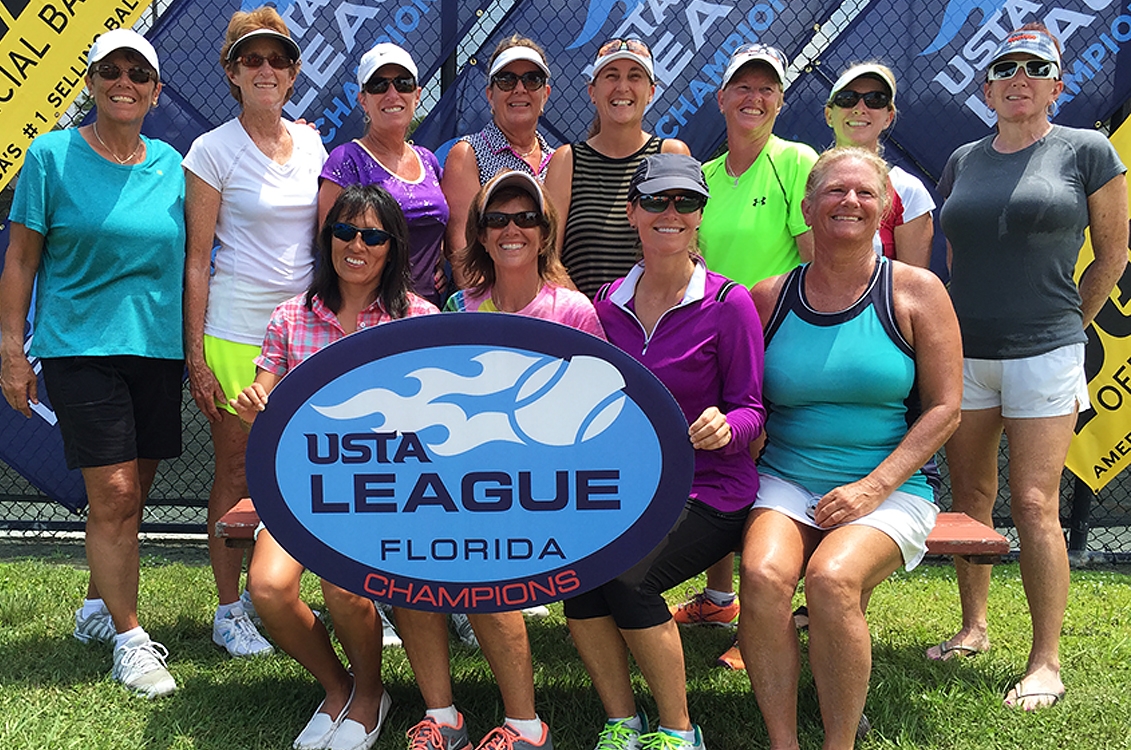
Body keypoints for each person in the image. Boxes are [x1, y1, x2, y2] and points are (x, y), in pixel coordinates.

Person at [927, 24, 1128, 711]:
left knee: (1035, 504)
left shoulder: (1088, 151)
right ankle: (973, 628)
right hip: (966, 353)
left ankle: (1045, 661)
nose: (1019, 78)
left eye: (1034, 68)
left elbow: (1111, 255)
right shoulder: (961, 160)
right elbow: (956, 257)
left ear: (1056, 86)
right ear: (986, 90)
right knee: (969, 497)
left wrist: (1068, 326)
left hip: (1046, 352)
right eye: (1004, 68)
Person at [741, 147, 963, 749]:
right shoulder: (768, 297)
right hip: (786, 480)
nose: (850, 202)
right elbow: (747, 404)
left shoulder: (917, 291)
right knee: (761, 577)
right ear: (808, 206)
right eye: (835, 191)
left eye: (865, 193)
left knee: (831, 579)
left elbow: (945, 409)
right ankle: (783, 742)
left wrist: (872, 488)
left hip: (890, 486)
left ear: (885, 207)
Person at [0, 29, 184, 697]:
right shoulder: (50, 156)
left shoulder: (172, 164)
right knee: (114, 495)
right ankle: (131, 643)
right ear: (91, 81)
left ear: (155, 92)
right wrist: (11, 348)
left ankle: (95, 610)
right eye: (111, 70)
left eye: (138, 73)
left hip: (157, 351)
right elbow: (21, 259)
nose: (123, 82)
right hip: (79, 349)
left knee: (132, 493)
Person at [568, 154, 765, 750]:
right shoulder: (606, 303)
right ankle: (622, 723)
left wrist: (726, 427)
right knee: (579, 576)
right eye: (656, 201)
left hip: (712, 488)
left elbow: (752, 409)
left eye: (686, 202)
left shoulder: (729, 303)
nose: (670, 213)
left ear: (701, 214)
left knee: (629, 576)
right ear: (633, 212)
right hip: (629, 487)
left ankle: (679, 730)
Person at [233, 184, 438, 750]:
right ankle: (338, 685)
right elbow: (264, 395)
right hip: (305, 488)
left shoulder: (417, 319)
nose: (357, 245)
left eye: (373, 236)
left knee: (345, 586)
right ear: (327, 240)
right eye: (345, 232)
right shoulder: (290, 316)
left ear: (392, 247)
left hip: (391, 490)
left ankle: (369, 695)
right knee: (268, 590)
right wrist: (254, 403)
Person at [390, 171, 585, 750]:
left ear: (545, 232)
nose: (511, 229)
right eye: (497, 219)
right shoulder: (458, 306)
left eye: (526, 218)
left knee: (480, 568)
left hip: (543, 489)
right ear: (479, 233)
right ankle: (442, 718)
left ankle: (526, 727)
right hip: (463, 481)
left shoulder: (573, 311)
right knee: (404, 557)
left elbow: (594, 422)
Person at [183, 5, 326, 658]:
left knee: (310, 469)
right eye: (251, 59)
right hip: (235, 335)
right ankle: (228, 610)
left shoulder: (315, 144)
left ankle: (319, 595)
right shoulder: (210, 151)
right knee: (237, 471)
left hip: (306, 337)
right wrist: (196, 357)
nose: (265, 69)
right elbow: (197, 260)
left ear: (293, 74)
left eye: (277, 59)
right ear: (232, 72)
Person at [672, 44, 817, 659]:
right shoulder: (702, 177)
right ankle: (720, 596)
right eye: (742, 87)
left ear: (780, 101)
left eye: (767, 89)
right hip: (712, 345)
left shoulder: (797, 162)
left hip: (777, 345)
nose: (753, 98)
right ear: (721, 98)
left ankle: (770, 617)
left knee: (770, 477)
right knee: (722, 463)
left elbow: (817, 263)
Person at [544, 38, 690, 298]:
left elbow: (683, 254)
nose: (622, 87)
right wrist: (589, 315)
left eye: (634, 76)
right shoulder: (566, 161)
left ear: (651, 92)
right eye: (611, 76)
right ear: (592, 92)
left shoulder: (670, 154)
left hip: (652, 318)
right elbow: (548, 259)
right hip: (582, 319)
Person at [319, 42, 449, 307]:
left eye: (402, 83)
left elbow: (440, 226)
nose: (392, 94)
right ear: (363, 100)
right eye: (379, 85)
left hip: (428, 309)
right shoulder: (346, 161)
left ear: (417, 95)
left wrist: (441, 260)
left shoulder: (428, 161)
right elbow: (329, 246)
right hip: (371, 311)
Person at [442, 36, 555, 283]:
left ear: (545, 94)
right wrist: (500, 305)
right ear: (490, 95)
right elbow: (464, 257)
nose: (520, 89)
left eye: (532, 80)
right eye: (506, 80)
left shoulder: (558, 160)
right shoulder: (468, 154)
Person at [825, 62, 934, 267]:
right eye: (847, 99)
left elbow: (913, 281)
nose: (860, 109)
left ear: (888, 118)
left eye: (875, 100)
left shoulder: (907, 190)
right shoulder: (804, 180)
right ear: (829, 115)